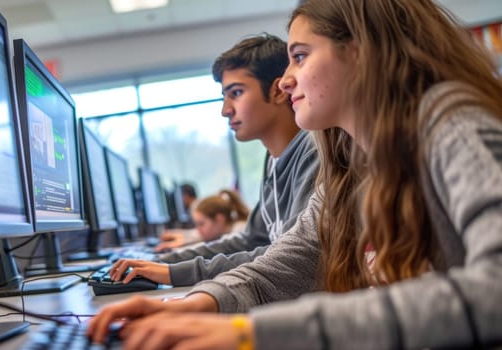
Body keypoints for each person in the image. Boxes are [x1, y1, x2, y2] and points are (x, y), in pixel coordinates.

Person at [88, 0, 502, 348]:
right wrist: (193, 304)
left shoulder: (452, 124)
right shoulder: (350, 160)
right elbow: (293, 259)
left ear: (361, 51)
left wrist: (248, 332)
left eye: (300, 57)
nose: (285, 81)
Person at [108, 33, 319, 287]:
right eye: (224, 96)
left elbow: (291, 258)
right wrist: (165, 261)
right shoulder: (274, 160)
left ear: (277, 91)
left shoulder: (313, 153)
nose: (225, 110)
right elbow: (251, 241)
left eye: (236, 93)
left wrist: (175, 272)